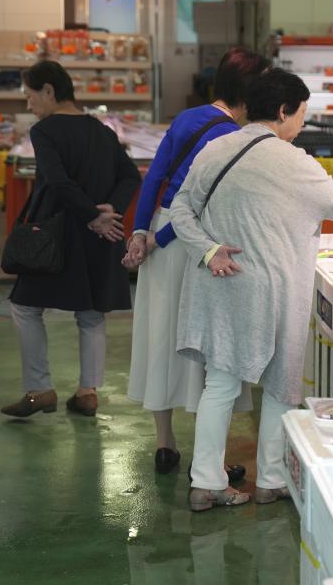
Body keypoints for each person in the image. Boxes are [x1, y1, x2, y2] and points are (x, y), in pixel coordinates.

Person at [170, 69, 333, 510]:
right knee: (280, 385)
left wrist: (208, 250)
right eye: (301, 113)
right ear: (283, 111)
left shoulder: (217, 147)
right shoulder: (293, 160)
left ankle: (205, 482)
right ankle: (272, 480)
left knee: (219, 385)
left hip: (219, 281)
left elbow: (181, 208)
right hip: (271, 289)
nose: (301, 123)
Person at [122, 48, 270, 478]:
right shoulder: (232, 137)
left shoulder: (188, 118)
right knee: (208, 345)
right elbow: (196, 202)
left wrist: (141, 233)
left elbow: (155, 177)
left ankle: (165, 445)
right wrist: (160, 239)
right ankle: (211, 459)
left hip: (161, 234)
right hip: (196, 243)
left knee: (159, 335)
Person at [1, 60, 141, 418]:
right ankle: (87, 392)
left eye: (31, 96)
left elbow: (58, 182)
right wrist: (110, 210)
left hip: (56, 237)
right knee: (92, 314)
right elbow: (131, 177)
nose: (29, 105)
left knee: (24, 306)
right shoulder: (102, 130)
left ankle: (39, 390)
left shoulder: (45, 131)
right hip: (100, 236)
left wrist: (94, 215)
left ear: (48, 91)